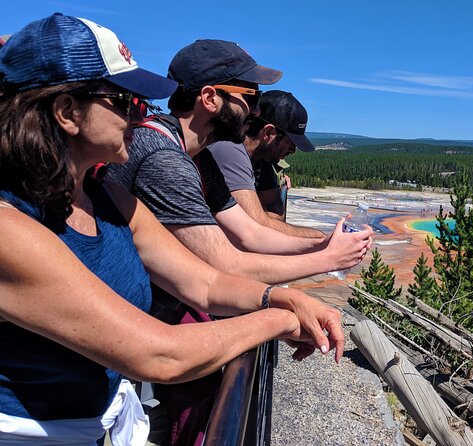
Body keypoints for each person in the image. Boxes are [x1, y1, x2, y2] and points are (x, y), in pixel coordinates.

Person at [0, 14, 341, 445]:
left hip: (98, 420)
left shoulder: (105, 195)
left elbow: (206, 282)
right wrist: (276, 321)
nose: (139, 115)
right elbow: (158, 354)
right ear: (67, 113)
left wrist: (283, 296)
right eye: (125, 102)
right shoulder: (10, 227)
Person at [105, 39, 371, 445]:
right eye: (250, 96)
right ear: (210, 98)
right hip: (117, 338)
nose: (256, 110)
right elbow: (223, 265)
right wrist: (324, 261)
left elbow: (251, 232)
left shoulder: (198, 156)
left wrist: (323, 248)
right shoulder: (163, 157)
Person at [209, 90, 324, 237]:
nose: (293, 150)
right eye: (290, 141)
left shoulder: (261, 160)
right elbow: (255, 227)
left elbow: (275, 209)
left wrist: (266, 222)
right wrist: (321, 237)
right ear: (268, 133)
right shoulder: (228, 149)